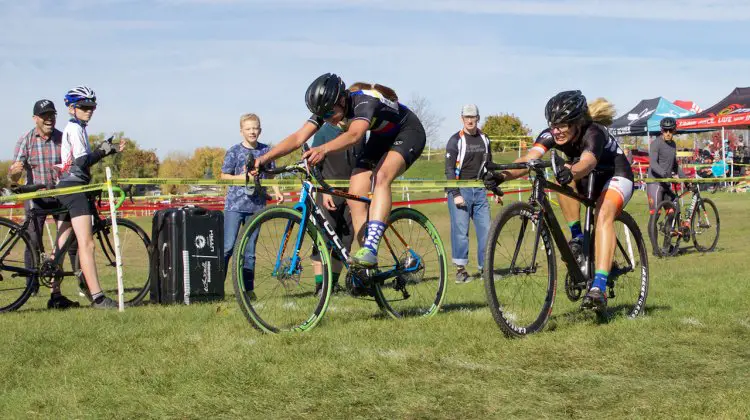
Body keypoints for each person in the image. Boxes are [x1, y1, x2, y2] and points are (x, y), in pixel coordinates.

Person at [253, 73, 426, 269]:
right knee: (355, 192)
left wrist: (324, 148)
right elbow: (298, 137)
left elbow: (355, 135)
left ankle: (370, 248)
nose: (327, 120)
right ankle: (367, 266)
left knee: (381, 176)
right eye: (323, 116)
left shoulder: (364, 100)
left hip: (408, 132)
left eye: (329, 114)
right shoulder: (328, 108)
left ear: (342, 100)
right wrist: (264, 158)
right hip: (381, 138)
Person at [483, 90, 634, 311]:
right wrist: (501, 175)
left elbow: (588, 163)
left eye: (562, 125)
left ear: (578, 122)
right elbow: (528, 160)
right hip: (583, 175)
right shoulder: (551, 134)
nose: (556, 131)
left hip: (615, 174)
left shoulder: (594, 132)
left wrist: (571, 172)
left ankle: (598, 287)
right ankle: (577, 238)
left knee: (603, 213)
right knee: (559, 173)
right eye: (553, 125)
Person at [54, 86, 125, 309]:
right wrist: (105, 150)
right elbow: (82, 162)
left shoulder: (77, 128)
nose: (90, 110)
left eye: (92, 106)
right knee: (87, 243)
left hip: (65, 187)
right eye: (84, 106)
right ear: (72, 108)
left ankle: (54, 293)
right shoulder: (74, 128)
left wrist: (106, 149)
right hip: (74, 189)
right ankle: (97, 297)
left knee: (61, 244)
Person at [9, 99, 79, 308]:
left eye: (52, 115)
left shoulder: (62, 138)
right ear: (35, 119)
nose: (50, 119)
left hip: (59, 196)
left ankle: (63, 287)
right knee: (32, 241)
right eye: (45, 115)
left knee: (67, 242)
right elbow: (13, 176)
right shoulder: (26, 140)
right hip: (36, 198)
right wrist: (15, 172)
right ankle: (31, 285)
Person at [221, 113, 283, 298]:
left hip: (256, 207)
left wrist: (276, 191)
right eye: (248, 129)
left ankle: (248, 290)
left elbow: (271, 175)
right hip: (234, 206)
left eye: (255, 128)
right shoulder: (233, 151)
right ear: (241, 131)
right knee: (228, 247)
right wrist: (240, 178)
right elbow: (223, 176)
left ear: (260, 130)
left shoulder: (266, 152)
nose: (252, 131)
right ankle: (217, 287)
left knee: (249, 252)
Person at [309, 122, 362, 296]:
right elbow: (313, 165)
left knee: (345, 239)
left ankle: (334, 284)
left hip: (352, 193)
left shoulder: (358, 131)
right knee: (323, 239)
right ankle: (320, 286)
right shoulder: (323, 132)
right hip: (327, 193)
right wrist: (324, 190)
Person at [445, 104, 492, 284]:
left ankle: (485, 270)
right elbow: (449, 170)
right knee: (460, 232)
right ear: (462, 119)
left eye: (473, 117)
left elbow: (490, 166)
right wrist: (455, 193)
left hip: (480, 190)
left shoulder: (485, 139)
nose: (470, 120)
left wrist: (494, 189)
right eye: (467, 117)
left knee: (487, 230)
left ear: (478, 118)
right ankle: (460, 271)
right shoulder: (455, 140)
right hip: (460, 190)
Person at [646, 117, 683, 217]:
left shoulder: (673, 144)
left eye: (670, 130)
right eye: (665, 130)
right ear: (661, 130)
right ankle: (653, 232)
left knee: (674, 212)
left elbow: (674, 164)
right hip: (655, 183)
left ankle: (668, 231)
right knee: (655, 215)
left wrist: (686, 179)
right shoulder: (655, 144)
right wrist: (666, 174)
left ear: (674, 130)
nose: (667, 133)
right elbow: (653, 164)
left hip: (666, 184)